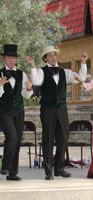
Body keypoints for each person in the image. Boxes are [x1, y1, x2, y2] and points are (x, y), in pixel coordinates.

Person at [25, 46, 88, 180]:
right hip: (47, 109)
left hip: (62, 108)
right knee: (48, 139)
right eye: (50, 56)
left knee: (64, 137)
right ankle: (48, 171)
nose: (53, 58)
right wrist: (33, 66)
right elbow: (35, 81)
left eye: (55, 55)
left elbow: (81, 77)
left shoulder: (65, 72)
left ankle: (59, 168)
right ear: (45, 58)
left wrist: (83, 62)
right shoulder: (41, 72)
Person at [0, 44, 33, 181]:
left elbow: (25, 95)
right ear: (4, 60)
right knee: (12, 137)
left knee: (17, 140)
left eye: (13, 58)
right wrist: (0, 85)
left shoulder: (22, 74)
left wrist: (30, 89)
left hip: (19, 111)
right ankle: (5, 166)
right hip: (4, 111)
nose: (11, 61)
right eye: (8, 58)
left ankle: (12, 173)